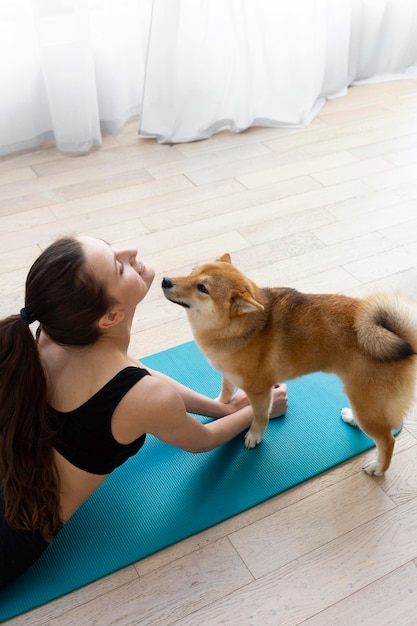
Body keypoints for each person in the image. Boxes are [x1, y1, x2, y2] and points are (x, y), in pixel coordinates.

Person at [0, 235, 288, 588]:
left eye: (112, 247)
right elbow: (201, 441)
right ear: (110, 317)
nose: (130, 251)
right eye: (118, 266)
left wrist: (219, 406)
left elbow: (131, 370)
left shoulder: (54, 332)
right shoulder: (138, 395)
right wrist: (257, 411)